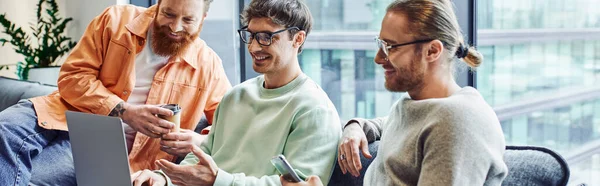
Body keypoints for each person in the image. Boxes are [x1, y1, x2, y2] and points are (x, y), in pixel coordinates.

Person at [0, 0, 231, 185]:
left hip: (103, 145)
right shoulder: (115, 20)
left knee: (36, 178)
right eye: (169, 14)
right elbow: (72, 77)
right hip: (60, 110)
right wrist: (126, 111)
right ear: (158, 5)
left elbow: (231, 124)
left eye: (188, 19)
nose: (175, 26)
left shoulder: (208, 65)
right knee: (4, 128)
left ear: (203, 19)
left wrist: (200, 140)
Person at [284, 0, 509, 185]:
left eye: (390, 47)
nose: (379, 58)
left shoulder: (456, 120)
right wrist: (356, 126)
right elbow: (394, 123)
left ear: (432, 51)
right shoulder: (419, 104)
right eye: (380, 44)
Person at [131, 0, 342, 185]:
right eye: (251, 36)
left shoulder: (315, 110)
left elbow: (298, 185)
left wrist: (217, 181)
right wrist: (164, 178)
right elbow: (202, 156)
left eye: (267, 37)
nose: (254, 47)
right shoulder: (236, 96)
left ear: (297, 39)